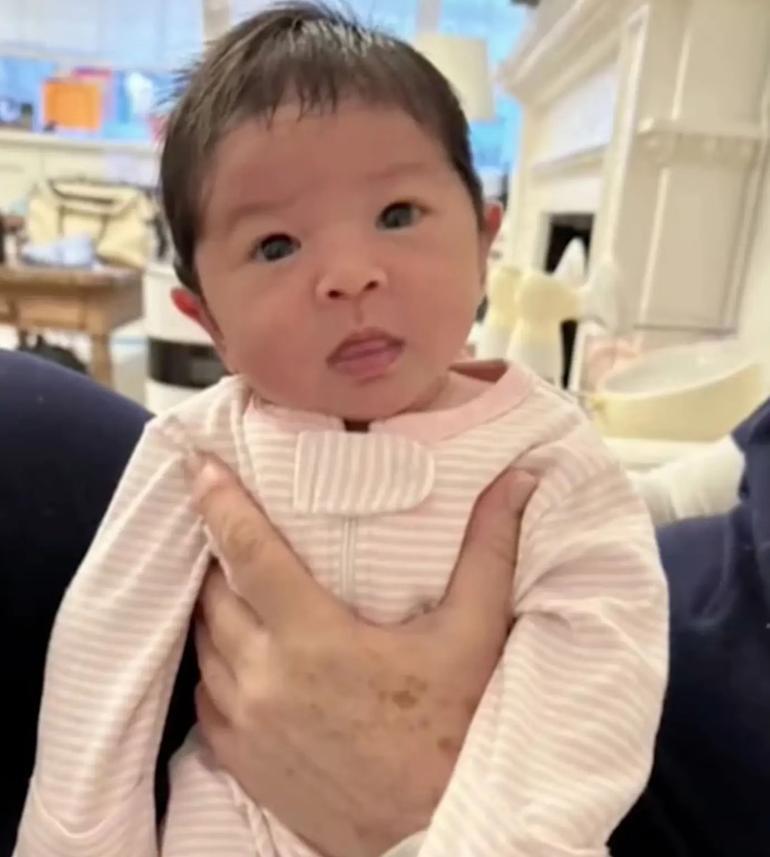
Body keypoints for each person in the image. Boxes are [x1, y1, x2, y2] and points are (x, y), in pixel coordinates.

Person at [13, 5, 667, 856]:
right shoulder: (196, 450)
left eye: (397, 214)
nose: (351, 275)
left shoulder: (548, 457)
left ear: (484, 242)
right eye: (276, 245)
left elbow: (594, 675)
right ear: (209, 321)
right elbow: (105, 666)